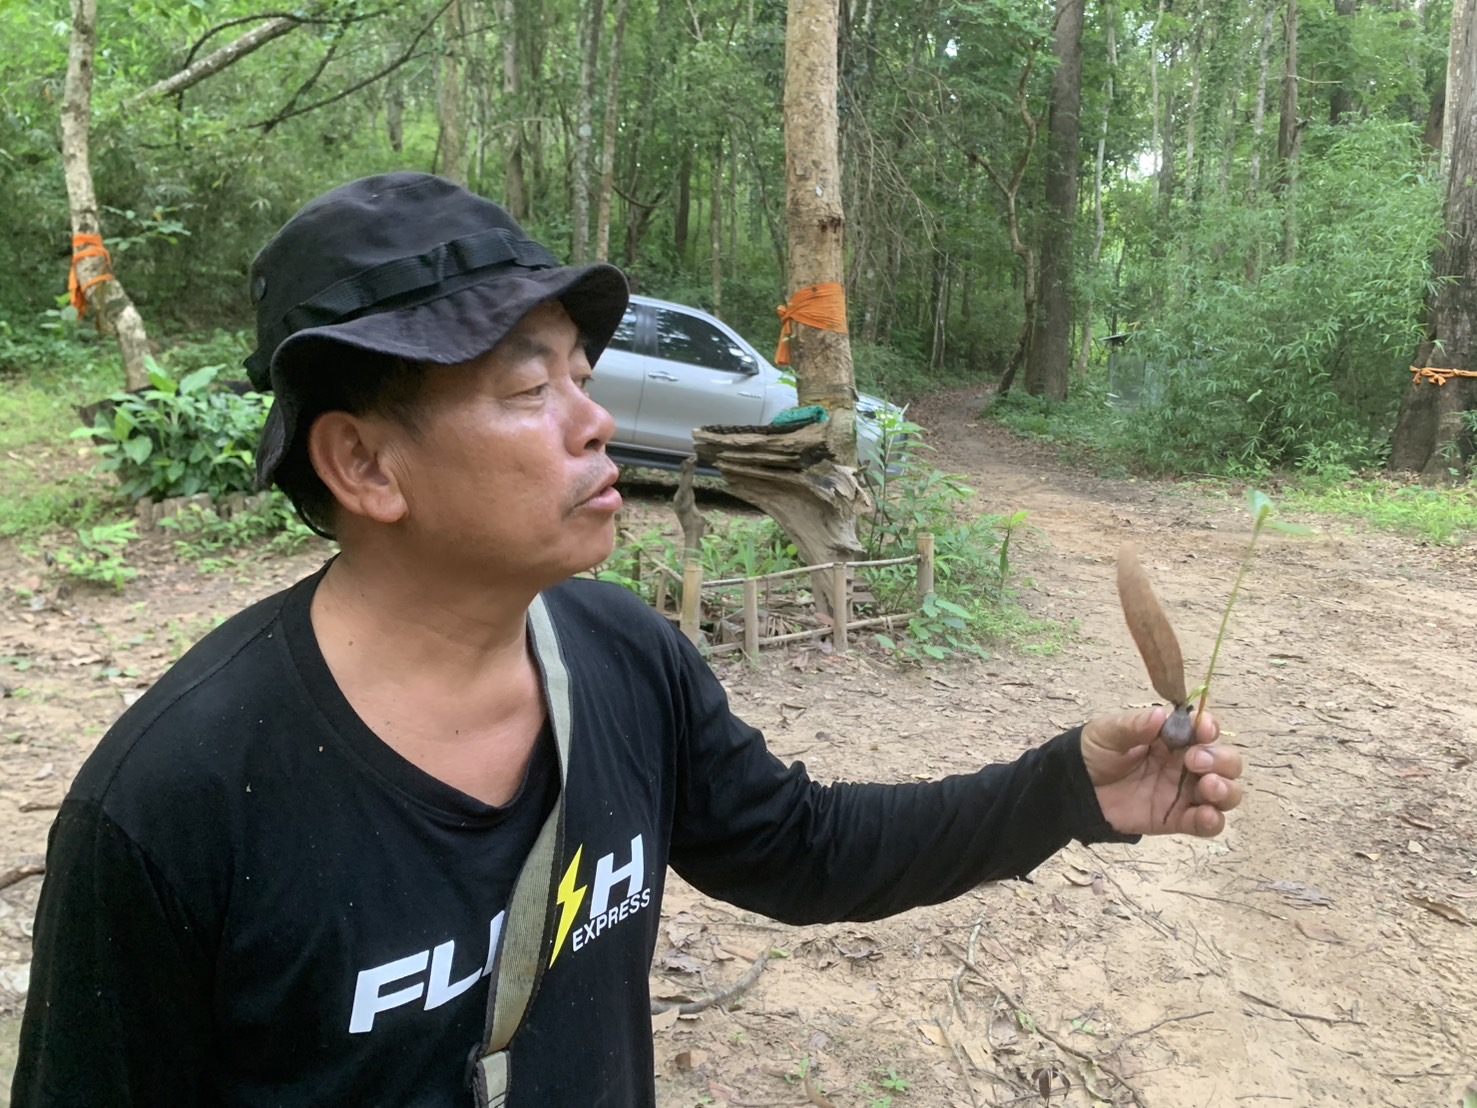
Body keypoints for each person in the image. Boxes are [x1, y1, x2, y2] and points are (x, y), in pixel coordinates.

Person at [12, 173, 1243, 1107]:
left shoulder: (618, 653)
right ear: (364, 464)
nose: (594, 420)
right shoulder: (174, 801)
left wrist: (1065, 789)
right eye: (527, 388)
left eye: (582, 375)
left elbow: (802, 849)